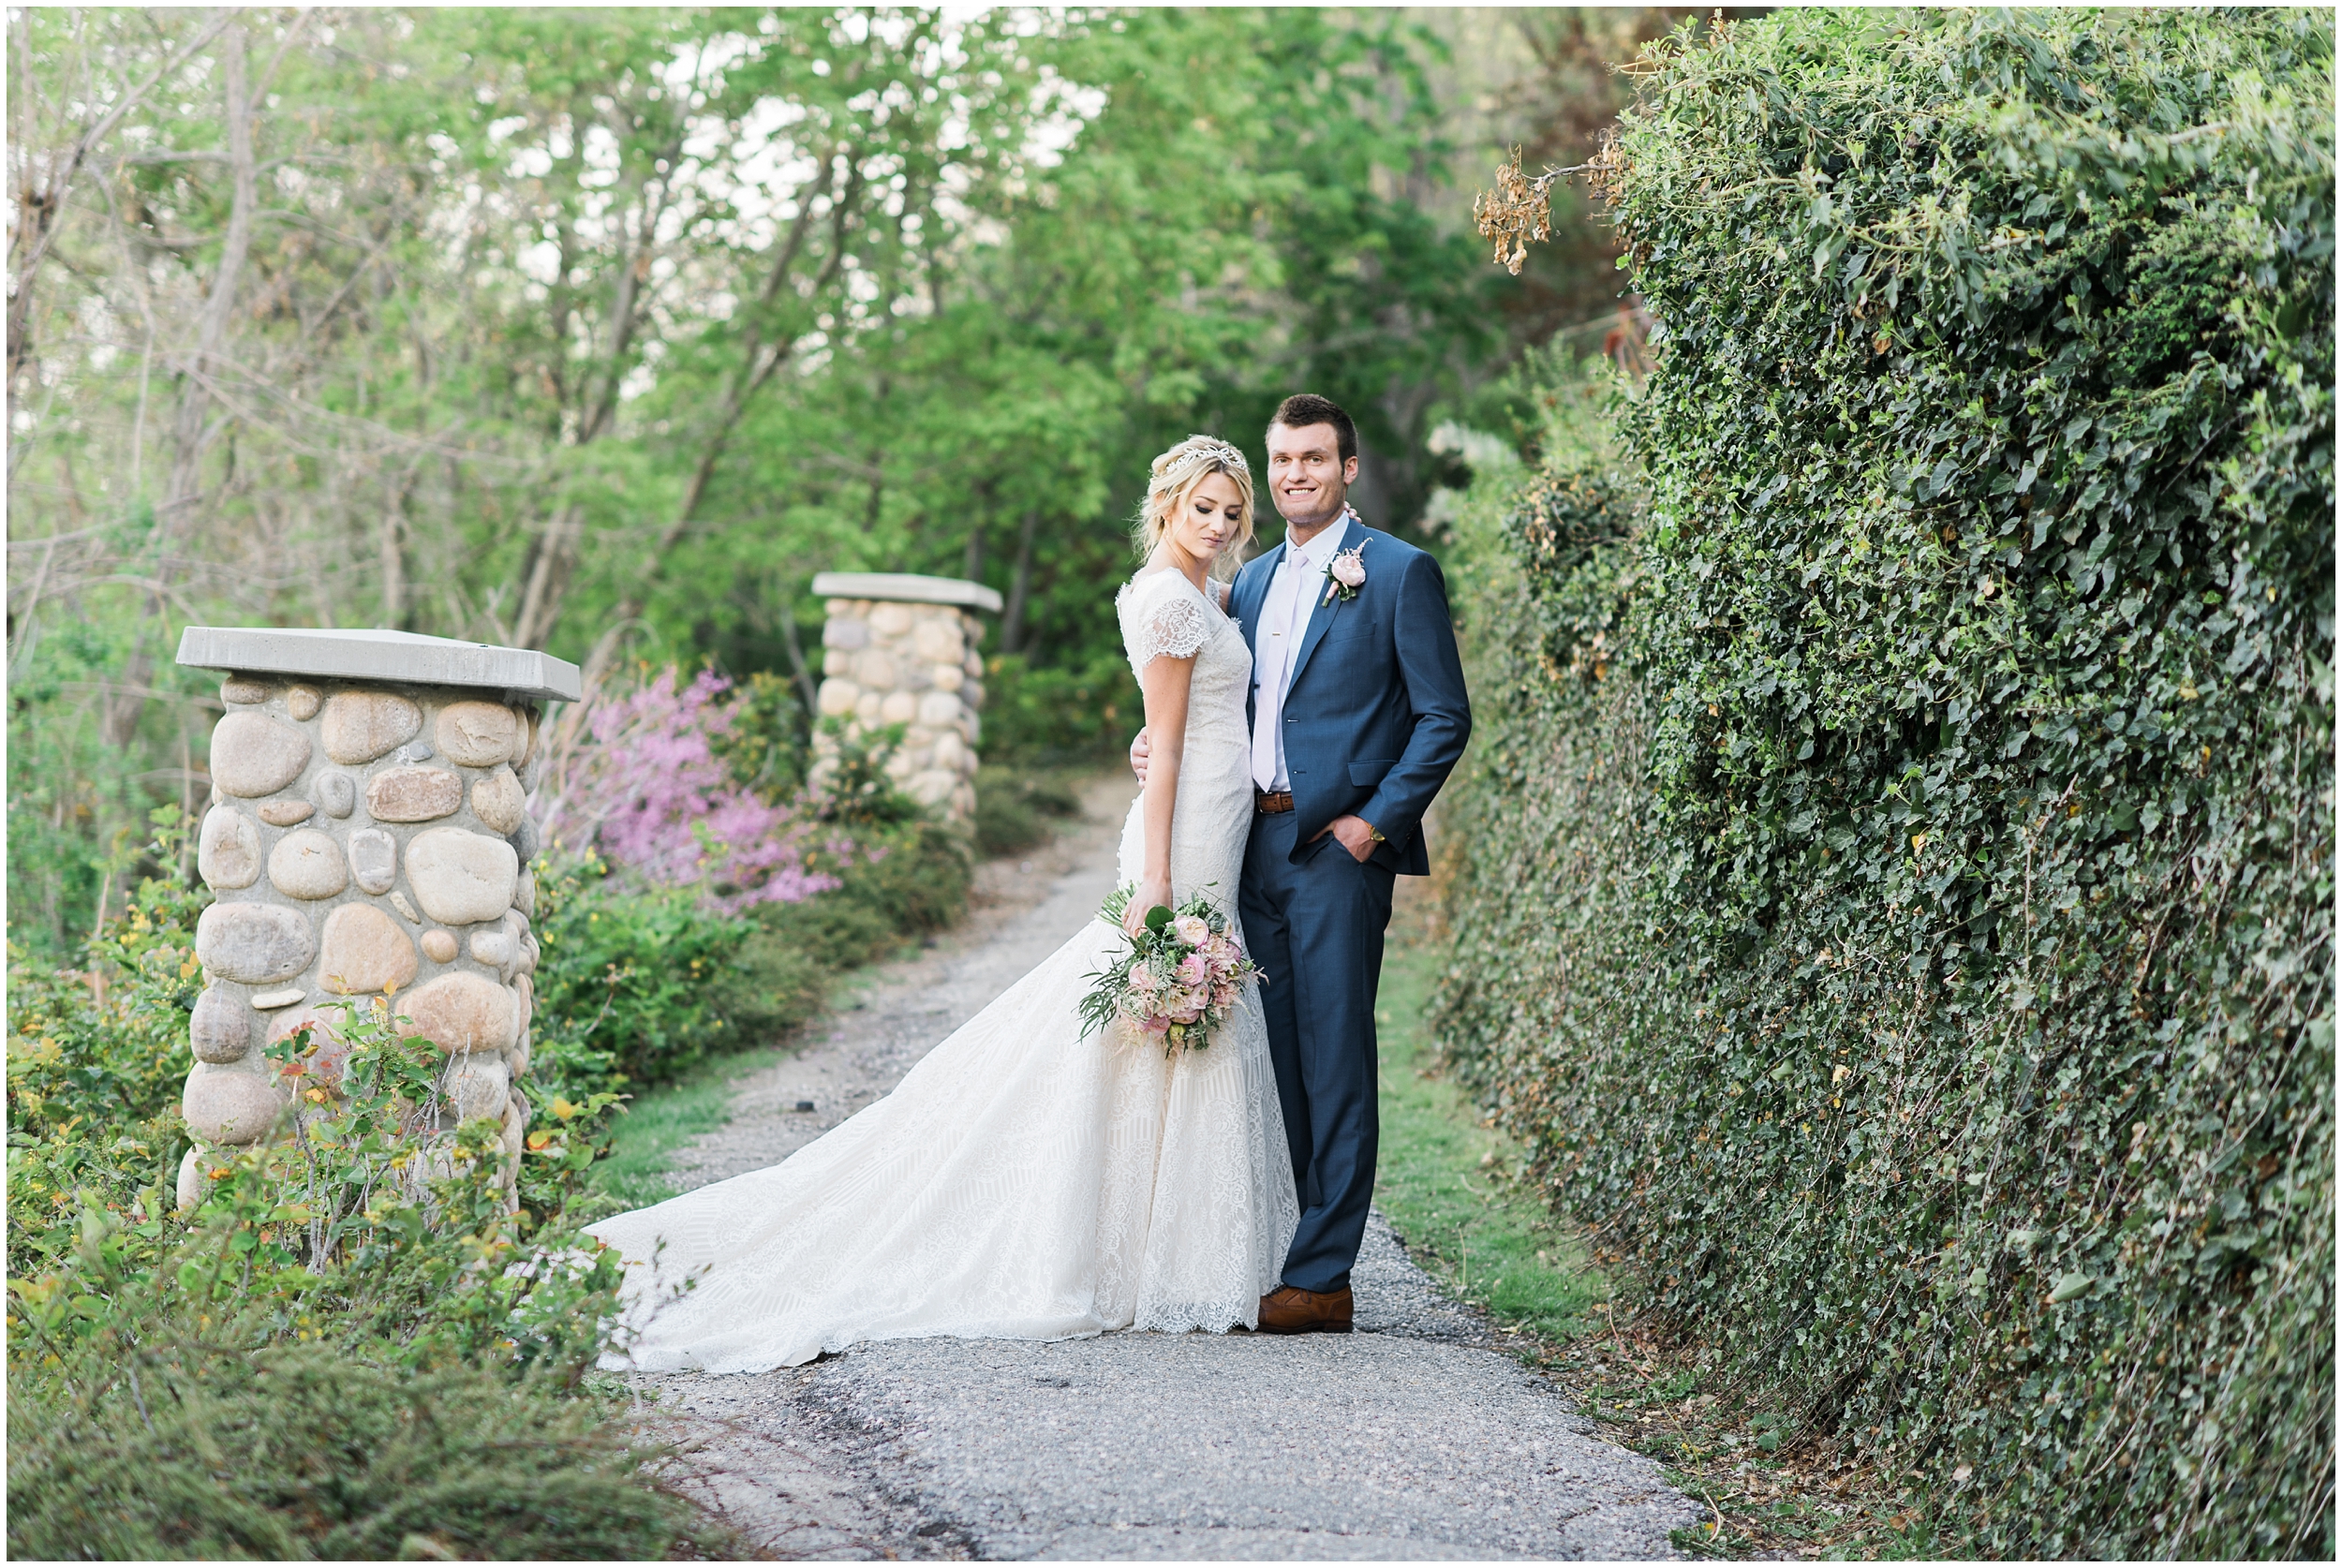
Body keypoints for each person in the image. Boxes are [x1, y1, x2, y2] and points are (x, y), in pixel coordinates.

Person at [585, 436, 1297, 1373]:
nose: (1217, 525)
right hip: (1183, 836)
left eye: (1230, 513)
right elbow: (1163, 746)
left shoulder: (1203, 592)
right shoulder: (1168, 598)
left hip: (1218, 812)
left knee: (1161, 1023)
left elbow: (1186, 720)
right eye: (1201, 507)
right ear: (1164, 504)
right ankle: (1132, 1252)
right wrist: (1156, 878)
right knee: (1148, 1012)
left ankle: (1160, 1244)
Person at [1132, 393, 1471, 1335]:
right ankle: (1284, 1244)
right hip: (1249, 849)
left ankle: (1322, 1277)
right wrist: (1150, 746)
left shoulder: (1398, 574)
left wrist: (1374, 823)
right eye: (1282, 462)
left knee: (1335, 1058)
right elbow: (1211, 702)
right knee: (1269, 1057)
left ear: (1347, 468)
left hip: (1335, 851)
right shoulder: (1245, 583)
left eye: (1314, 460)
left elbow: (1444, 717)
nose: (1294, 477)